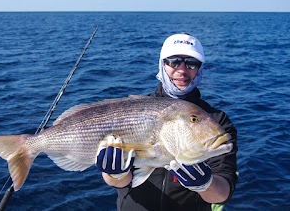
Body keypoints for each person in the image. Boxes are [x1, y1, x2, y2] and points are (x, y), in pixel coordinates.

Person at [96, 33, 238, 210]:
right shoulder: (135, 109)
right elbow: (120, 183)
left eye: (192, 63)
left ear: (200, 68)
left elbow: (223, 192)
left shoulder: (217, 122)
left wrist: (206, 184)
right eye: (173, 61)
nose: (182, 70)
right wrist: (115, 175)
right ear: (162, 64)